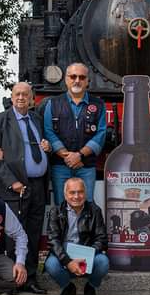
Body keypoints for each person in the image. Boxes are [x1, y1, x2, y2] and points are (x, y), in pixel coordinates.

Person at [0, 82, 51, 294]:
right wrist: (12, 182)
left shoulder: (36, 118)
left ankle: (31, 278)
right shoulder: (0, 119)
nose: (21, 97)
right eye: (18, 94)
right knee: (14, 235)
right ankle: (12, 280)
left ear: (32, 98)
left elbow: (39, 146)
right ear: (11, 96)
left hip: (38, 186)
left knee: (34, 233)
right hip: (15, 187)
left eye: (26, 94)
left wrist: (47, 148)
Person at [43, 63, 107, 202]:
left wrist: (79, 155)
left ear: (87, 81)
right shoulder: (52, 104)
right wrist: (67, 156)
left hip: (86, 165)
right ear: (66, 79)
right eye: (73, 76)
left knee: (87, 205)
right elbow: (48, 131)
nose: (77, 80)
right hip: (60, 166)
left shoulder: (98, 105)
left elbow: (101, 133)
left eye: (82, 77)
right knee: (61, 205)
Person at [45, 177, 109, 295]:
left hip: (87, 253)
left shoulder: (94, 210)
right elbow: (53, 241)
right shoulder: (55, 212)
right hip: (64, 254)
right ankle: (68, 288)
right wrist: (68, 262)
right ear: (65, 194)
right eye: (72, 192)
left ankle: (90, 288)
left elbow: (102, 239)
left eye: (80, 192)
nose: (76, 196)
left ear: (85, 193)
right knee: (51, 264)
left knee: (103, 262)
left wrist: (86, 255)